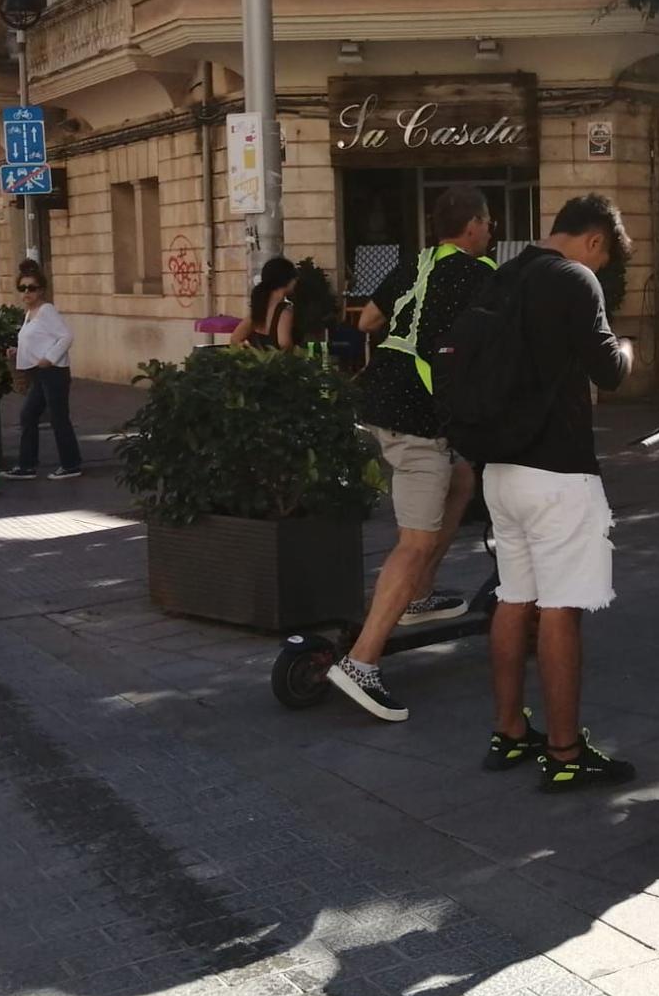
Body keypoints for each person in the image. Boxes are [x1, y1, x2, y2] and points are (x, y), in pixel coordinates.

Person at [480, 195, 636, 790]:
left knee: (514, 597)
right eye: (603, 261)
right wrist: (626, 347)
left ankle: (510, 732)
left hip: (500, 470)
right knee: (560, 607)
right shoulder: (574, 279)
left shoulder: (505, 274)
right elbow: (609, 371)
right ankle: (566, 753)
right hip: (557, 471)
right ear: (594, 241)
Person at [327, 188, 496, 722]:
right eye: (487, 222)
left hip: (379, 398)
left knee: (461, 479)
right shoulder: (477, 273)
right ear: (471, 226)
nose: (489, 231)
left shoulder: (416, 265)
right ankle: (361, 662)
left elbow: (368, 322)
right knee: (415, 541)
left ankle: (419, 596)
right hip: (417, 418)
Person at [4, 260, 81, 481]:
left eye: (31, 288)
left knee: (58, 418)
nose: (26, 292)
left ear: (41, 290)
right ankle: (27, 465)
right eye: (22, 288)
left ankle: (71, 464)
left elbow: (66, 336)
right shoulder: (30, 313)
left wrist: (50, 358)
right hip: (40, 373)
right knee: (28, 414)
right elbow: (38, 340)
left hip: (54, 372)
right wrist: (17, 351)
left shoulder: (46, 310)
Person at [231, 256, 297, 351]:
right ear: (288, 280)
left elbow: (235, 339)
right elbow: (284, 343)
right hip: (277, 363)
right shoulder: (285, 311)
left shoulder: (260, 306)